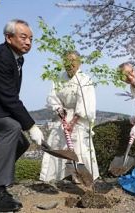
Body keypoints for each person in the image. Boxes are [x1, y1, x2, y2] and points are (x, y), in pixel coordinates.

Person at [0, 19, 44, 212]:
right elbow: (9, 97)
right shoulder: (0, 56)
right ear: (8, 37)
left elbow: (8, 97)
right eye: (23, 37)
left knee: (22, 142)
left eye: (31, 38)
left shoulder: (16, 58)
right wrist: (31, 125)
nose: (28, 42)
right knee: (11, 127)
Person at [40, 51, 99, 182]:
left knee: (79, 147)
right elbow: (53, 97)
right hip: (62, 115)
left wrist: (73, 122)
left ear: (79, 63)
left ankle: (83, 178)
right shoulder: (58, 78)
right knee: (57, 143)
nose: (70, 64)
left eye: (73, 61)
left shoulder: (85, 79)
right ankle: (57, 177)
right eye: (67, 61)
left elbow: (85, 103)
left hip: (79, 118)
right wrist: (60, 113)